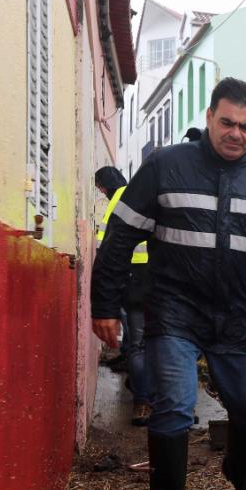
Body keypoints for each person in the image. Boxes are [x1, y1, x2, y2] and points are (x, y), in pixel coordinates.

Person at [91, 78, 246, 490]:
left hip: (239, 315)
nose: (236, 133)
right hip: (175, 312)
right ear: (210, 117)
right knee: (173, 407)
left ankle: (238, 467)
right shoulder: (164, 168)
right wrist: (105, 304)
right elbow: (119, 239)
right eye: (228, 122)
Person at [95, 166, 153, 425]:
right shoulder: (151, 193)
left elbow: (106, 248)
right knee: (160, 344)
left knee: (137, 344)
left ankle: (142, 401)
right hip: (161, 283)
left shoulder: (119, 199)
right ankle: (158, 399)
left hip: (133, 283)